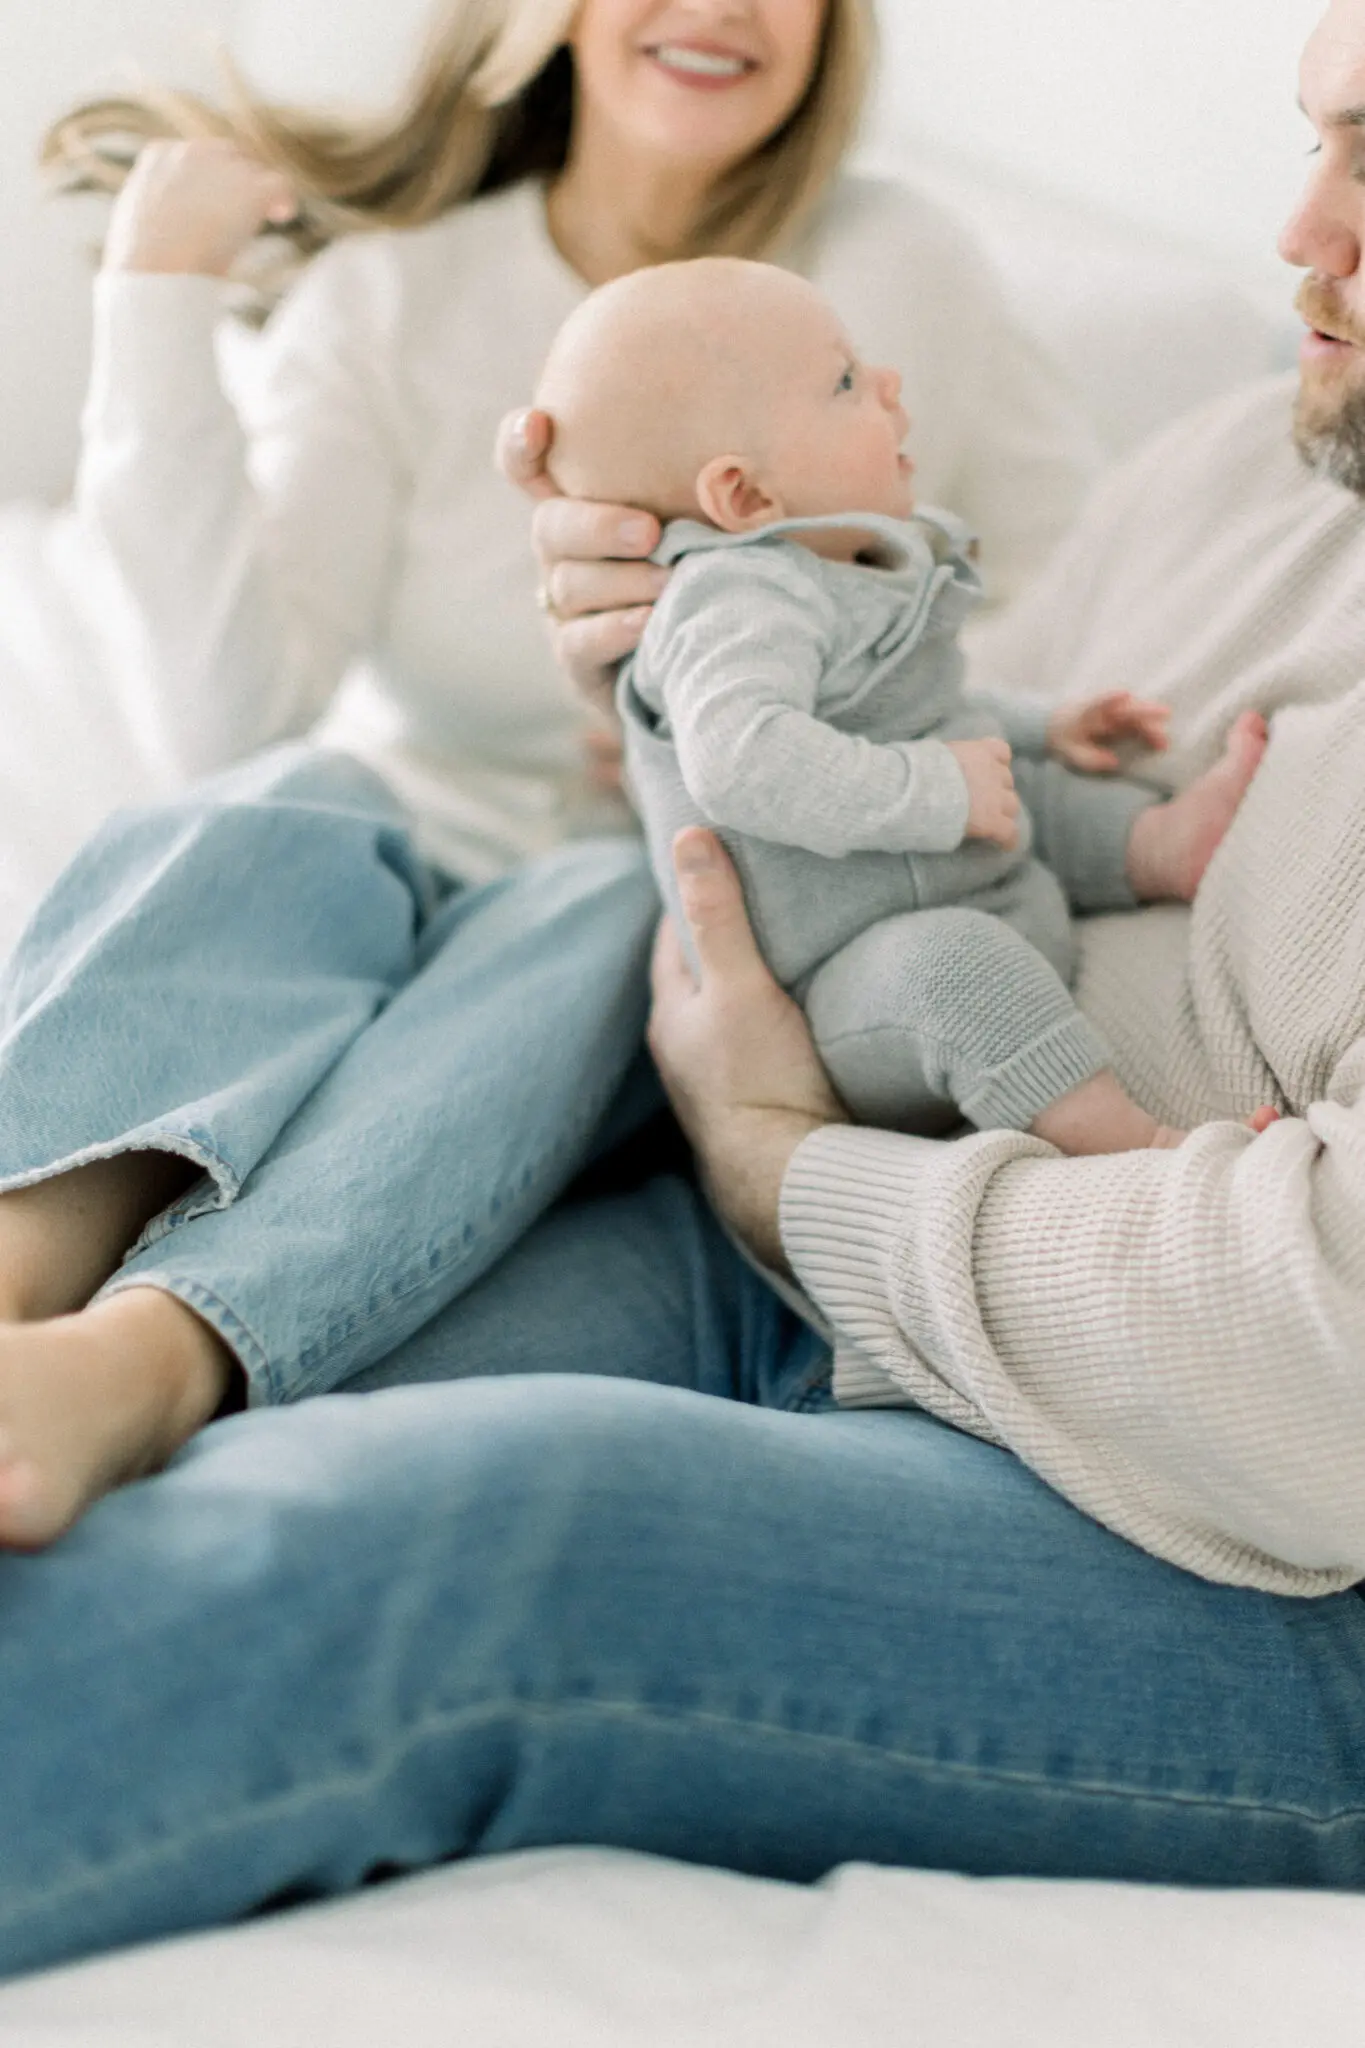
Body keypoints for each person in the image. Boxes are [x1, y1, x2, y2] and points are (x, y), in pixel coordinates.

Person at [6, 0, 1365, 1989]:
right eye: (1310, 138)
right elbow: (952, 738)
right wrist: (674, 705)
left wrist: (783, 1166)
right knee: (228, 1340)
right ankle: (85, 1300)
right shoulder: (1242, 461)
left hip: (1199, 1499)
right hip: (827, 1215)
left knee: (460, 1522)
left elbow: (1317, 1377)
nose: (1296, 235)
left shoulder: (926, 277)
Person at [0, 0, 1095, 1548]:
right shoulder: (398, 290)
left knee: (602, 894)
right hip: (399, 856)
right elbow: (225, 721)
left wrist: (791, 681)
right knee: (277, 806)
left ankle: (142, 1360)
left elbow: (1074, 597)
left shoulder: (908, 270)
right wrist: (158, 300)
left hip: (647, 901)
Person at [537, 256, 1271, 1152]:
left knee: (1023, 782)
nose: (885, 383)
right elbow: (739, 761)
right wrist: (934, 791)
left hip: (952, 880)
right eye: (843, 381)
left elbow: (920, 710)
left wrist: (1047, 725)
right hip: (847, 988)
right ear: (744, 495)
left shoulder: (840, 568)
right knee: (954, 967)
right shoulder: (733, 601)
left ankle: (1156, 847)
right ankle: (1124, 1140)